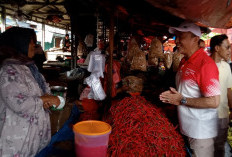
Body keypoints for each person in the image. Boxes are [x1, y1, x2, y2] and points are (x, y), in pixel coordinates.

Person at [159, 21, 220, 157]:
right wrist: (175, 95)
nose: (177, 41)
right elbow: (187, 90)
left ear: (195, 39)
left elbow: (214, 101)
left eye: (181, 37)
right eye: (176, 37)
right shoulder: (184, 61)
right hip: (187, 128)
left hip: (201, 134)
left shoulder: (205, 64)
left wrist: (182, 100)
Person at [0, 27, 63, 157]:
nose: (34, 45)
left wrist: (47, 98)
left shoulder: (30, 67)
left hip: (32, 138)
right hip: (16, 140)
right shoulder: (9, 70)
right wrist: (43, 100)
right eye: (30, 42)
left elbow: (44, 89)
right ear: (18, 43)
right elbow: (18, 103)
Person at [210, 34, 232, 157]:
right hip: (205, 115)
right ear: (217, 48)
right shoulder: (205, 65)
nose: (229, 51)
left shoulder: (226, 67)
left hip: (222, 114)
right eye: (227, 47)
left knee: (219, 148)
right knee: (206, 148)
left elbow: (229, 91)